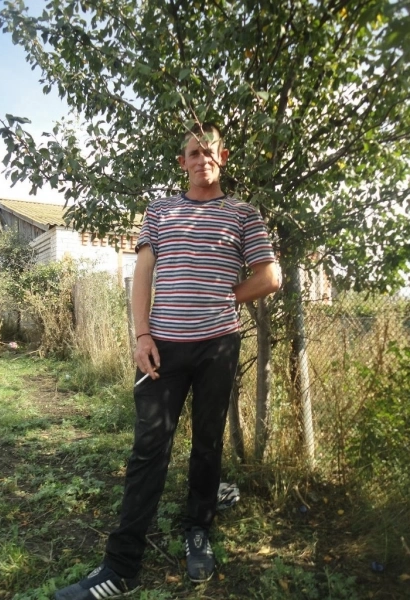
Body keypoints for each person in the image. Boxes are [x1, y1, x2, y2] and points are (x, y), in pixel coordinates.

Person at [54, 123, 279, 599]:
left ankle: (198, 529)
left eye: (209, 151)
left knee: (208, 444)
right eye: (193, 153)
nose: (202, 159)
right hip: (162, 347)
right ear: (183, 162)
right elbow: (143, 274)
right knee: (149, 447)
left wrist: (224, 298)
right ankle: (122, 567)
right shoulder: (160, 211)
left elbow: (270, 277)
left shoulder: (244, 214)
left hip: (218, 346)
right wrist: (141, 335)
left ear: (223, 157)